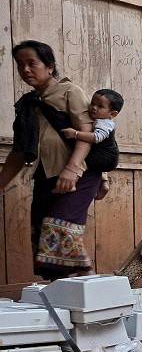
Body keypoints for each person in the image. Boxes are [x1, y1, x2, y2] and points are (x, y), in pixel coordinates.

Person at [0, 41, 99, 279]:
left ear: (50, 66)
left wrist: (72, 170)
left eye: (32, 63)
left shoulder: (69, 92)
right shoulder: (27, 105)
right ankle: (65, 306)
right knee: (45, 247)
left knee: (60, 231)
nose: (25, 70)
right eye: (20, 65)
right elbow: (20, 151)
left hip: (78, 175)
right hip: (45, 178)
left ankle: (95, 302)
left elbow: (88, 135)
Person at [61, 88, 124, 201]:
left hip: (106, 158)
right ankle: (103, 183)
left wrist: (75, 134)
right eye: (93, 103)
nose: (94, 108)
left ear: (112, 113)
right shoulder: (99, 120)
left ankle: (71, 184)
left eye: (100, 106)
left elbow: (96, 137)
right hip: (104, 156)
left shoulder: (104, 123)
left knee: (82, 161)